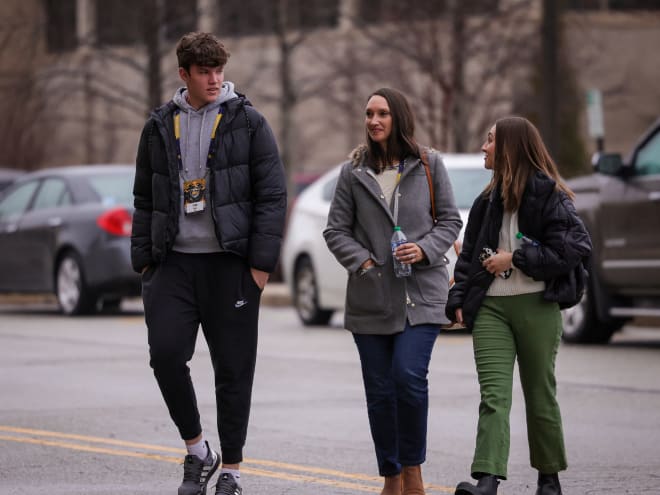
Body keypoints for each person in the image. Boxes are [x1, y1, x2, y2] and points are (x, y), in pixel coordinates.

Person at [131, 32, 286, 495]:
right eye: (205, 72)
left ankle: (232, 471)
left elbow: (272, 196)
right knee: (165, 356)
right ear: (185, 75)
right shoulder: (159, 125)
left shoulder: (249, 122)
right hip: (173, 265)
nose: (215, 79)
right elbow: (144, 197)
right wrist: (145, 262)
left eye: (219, 70)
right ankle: (198, 450)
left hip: (231, 266)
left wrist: (259, 266)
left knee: (233, 370)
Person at [323, 87, 463, 495]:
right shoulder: (354, 171)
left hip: (422, 294)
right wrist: (364, 261)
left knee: (407, 377)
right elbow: (335, 230)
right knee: (380, 391)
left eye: (382, 113)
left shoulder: (428, 163)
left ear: (398, 118)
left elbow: (450, 221)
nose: (373, 121)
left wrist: (424, 248)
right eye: (368, 113)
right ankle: (391, 476)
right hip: (371, 298)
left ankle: (413, 472)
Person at [446, 116, 592, 495]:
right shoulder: (484, 202)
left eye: (490, 140)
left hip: (537, 307)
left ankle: (549, 480)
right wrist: (459, 299)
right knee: (494, 397)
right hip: (492, 308)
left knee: (539, 394)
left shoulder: (549, 195)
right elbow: (468, 259)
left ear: (509, 146)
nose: (484, 146)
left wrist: (516, 258)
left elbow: (574, 248)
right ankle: (487, 480)